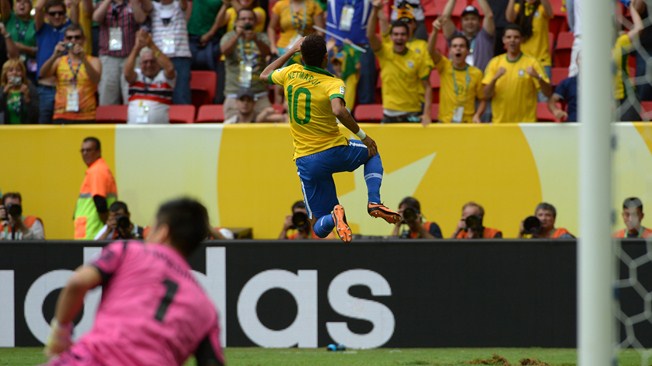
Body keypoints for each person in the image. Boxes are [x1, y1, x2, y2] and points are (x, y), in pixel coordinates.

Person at [44, 198, 225, 366]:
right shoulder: (206, 310)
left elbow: (77, 282)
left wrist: (60, 333)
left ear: (162, 232)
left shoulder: (128, 251)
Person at [261, 34, 402, 243]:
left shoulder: (291, 72)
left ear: (302, 56)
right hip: (334, 151)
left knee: (319, 228)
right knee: (372, 151)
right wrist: (364, 137)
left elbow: (265, 75)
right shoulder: (333, 83)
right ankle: (374, 201)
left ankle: (334, 215)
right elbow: (339, 110)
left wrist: (290, 51)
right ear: (326, 57)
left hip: (307, 161)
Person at [367, 0, 432, 125]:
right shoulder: (384, 52)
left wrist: (427, 113)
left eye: (402, 35)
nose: (399, 37)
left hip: (413, 114)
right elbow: (370, 35)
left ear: (408, 38)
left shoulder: (417, 57)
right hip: (389, 114)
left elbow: (427, 86)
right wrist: (375, 11)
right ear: (391, 37)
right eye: (396, 34)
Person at [482, 24, 551, 123]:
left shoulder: (532, 63)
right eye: (509, 37)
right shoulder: (495, 63)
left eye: (516, 37)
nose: (512, 40)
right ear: (503, 40)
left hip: (526, 125)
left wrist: (538, 77)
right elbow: (486, 95)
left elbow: (548, 93)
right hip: (500, 124)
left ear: (522, 40)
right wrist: (494, 78)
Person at [92, 0, 151, 106]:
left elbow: (141, 19)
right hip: (108, 57)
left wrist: (133, 2)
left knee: (130, 96)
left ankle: (130, 121)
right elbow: (96, 18)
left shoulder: (131, 3)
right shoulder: (104, 3)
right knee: (107, 97)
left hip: (130, 57)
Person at [40, 24, 101, 123]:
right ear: (65, 40)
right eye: (69, 38)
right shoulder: (59, 61)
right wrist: (54, 56)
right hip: (62, 114)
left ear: (84, 40)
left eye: (77, 37)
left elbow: (96, 80)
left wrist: (83, 59)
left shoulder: (94, 61)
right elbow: (43, 74)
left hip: (86, 115)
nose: (73, 41)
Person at [267, 0, 324, 103]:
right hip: (283, 48)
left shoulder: (313, 5)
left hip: (305, 49)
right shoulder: (280, 5)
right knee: (279, 82)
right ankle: (278, 108)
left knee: (302, 80)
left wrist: (313, 45)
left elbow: (320, 31)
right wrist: (272, 46)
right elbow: (271, 27)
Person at [428, 20, 485, 123]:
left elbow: (482, 100)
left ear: (467, 52)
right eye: (454, 46)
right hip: (445, 123)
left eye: (462, 46)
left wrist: (477, 115)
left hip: (467, 124)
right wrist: (435, 31)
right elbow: (430, 51)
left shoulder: (476, 73)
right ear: (450, 51)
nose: (458, 49)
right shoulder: (444, 65)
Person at [220, 8, 271, 121]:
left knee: (264, 131)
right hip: (235, 94)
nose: (247, 21)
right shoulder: (229, 36)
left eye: (250, 19)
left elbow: (267, 53)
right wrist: (237, 35)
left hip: (259, 94)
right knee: (233, 132)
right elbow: (224, 51)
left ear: (255, 22)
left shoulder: (261, 37)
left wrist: (256, 40)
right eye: (243, 19)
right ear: (236, 22)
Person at [325, 0, 377, 106]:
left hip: (361, 48)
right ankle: (335, 115)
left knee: (365, 86)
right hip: (337, 48)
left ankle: (365, 117)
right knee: (334, 86)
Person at [35, 0, 80, 124]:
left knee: (65, 125)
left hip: (66, 87)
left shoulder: (70, 31)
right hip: (46, 87)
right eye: (53, 13)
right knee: (43, 128)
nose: (57, 16)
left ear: (65, 14)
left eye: (60, 13)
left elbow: (75, 5)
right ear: (47, 15)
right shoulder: (42, 28)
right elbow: (38, 8)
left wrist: (73, 5)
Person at [125, 29, 175, 124]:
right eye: (145, 62)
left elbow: (170, 68)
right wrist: (137, 47)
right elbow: (127, 73)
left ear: (159, 63)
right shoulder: (137, 75)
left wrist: (151, 44)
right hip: (133, 132)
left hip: (159, 133)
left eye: (152, 61)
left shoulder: (164, 77)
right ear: (140, 64)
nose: (149, 65)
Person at [73, 137, 118, 240]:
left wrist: (107, 228)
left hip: (94, 233)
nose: (85, 153)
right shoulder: (98, 169)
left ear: (98, 152)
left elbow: (100, 202)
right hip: (94, 231)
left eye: (88, 150)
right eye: (82, 150)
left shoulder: (97, 171)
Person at [150, 0, 191, 105]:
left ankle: (183, 119)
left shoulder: (179, 5)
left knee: (181, 96)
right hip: (159, 58)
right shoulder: (153, 6)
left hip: (180, 56)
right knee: (158, 96)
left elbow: (185, 5)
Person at [440, 0, 495, 72]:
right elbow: (445, 18)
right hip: (457, 81)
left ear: (479, 22)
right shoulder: (455, 37)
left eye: (473, 19)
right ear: (461, 22)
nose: (470, 22)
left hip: (481, 81)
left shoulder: (485, 37)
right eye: (466, 19)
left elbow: (489, 15)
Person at [506, 0, 553, 80]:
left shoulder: (541, 8)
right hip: (522, 61)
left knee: (543, 92)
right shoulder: (518, 8)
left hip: (541, 61)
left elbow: (550, 13)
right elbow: (510, 18)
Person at [1, 0, 38, 83]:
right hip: (9, 66)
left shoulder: (35, 23)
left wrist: (24, 48)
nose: (22, 4)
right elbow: (3, 3)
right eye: (18, 1)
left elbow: (40, 50)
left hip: (29, 67)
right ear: (14, 6)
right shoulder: (9, 18)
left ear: (31, 7)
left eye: (26, 2)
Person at [0, 58, 39, 124]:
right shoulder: (2, 90)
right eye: (10, 70)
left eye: (18, 70)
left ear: (22, 73)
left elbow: (36, 115)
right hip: (5, 130)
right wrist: (4, 93)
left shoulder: (30, 89)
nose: (14, 73)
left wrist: (27, 98)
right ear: (5, 74)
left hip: (24, 130)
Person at [548, 54, 578, 122]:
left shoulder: (602, 84)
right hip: (573, 123)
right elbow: (551, 101)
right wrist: (555, 110)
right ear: (577, 61)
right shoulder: (568, 83)